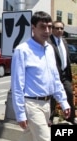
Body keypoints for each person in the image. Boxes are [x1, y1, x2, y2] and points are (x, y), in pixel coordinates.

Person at [11, 11, 71, 141]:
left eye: (49, 26)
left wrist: (64, 102)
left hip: (47, 104)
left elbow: (55, 78)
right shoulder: (22, 50)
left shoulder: (49, 49)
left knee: (29, 138)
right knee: (45, 138)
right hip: (31, 105)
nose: (47, 30)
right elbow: (17, 84)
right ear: (33, 28)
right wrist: (20, 113)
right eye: (43, 27)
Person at [48, 21, 76, 125]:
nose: (59, 30)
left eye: (61, 28)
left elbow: (66, 58)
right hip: (53, 76)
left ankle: (71, 119)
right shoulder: (48, 42)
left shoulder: (64, 41)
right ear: (52, 29)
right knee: (52, 98)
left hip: (64, 75)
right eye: (57, 28)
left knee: (69, 94)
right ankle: (50, 119)